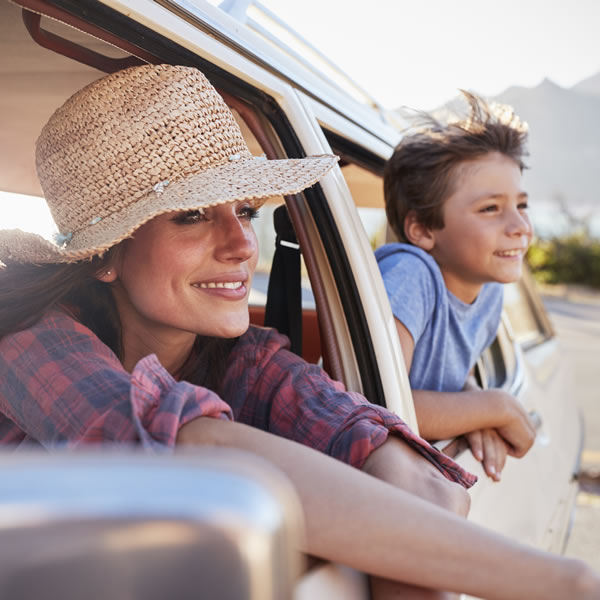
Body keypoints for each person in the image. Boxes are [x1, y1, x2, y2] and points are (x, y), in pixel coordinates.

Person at [0, 65, 598, 600]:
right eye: (192, 215)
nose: (241, 246)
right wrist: (565, 582)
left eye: (247, 213)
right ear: (106, 258)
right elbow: (176, 446)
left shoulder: (247, 360)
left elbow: (418, 478)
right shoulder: (30, 342)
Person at [376, 93, 537, 481]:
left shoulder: (490, 291)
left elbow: (446, 372)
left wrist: (471, 405)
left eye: (522, 205)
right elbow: (379, 404)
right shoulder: (410, 275)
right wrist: (494, 407)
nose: (520, 226)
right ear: (423, 230)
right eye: (490, 209)